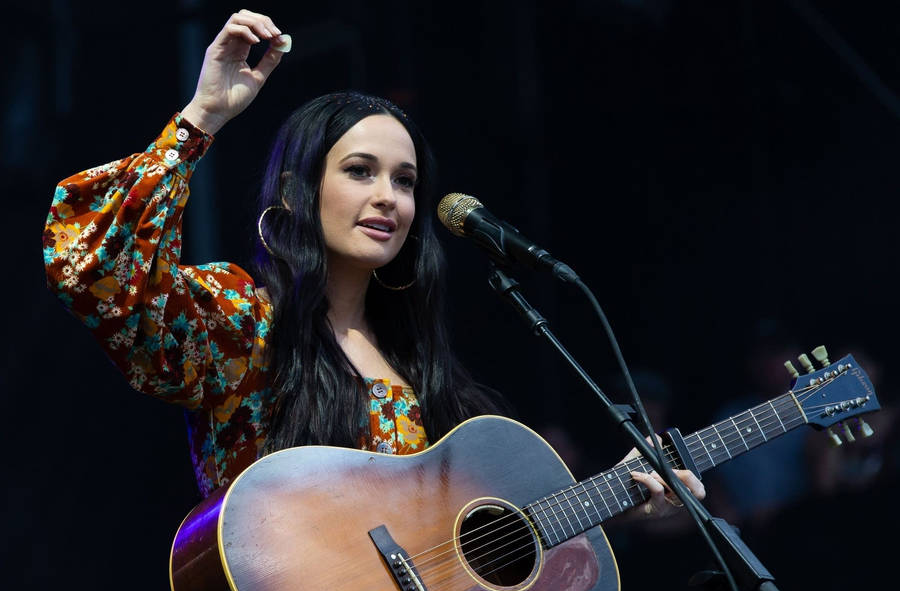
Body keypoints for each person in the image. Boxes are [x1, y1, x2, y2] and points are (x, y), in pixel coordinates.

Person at [43, 9, 703, 517]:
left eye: (406, 180)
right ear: (301, 192)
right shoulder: (243, 318)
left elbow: (461, 557)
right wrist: (202, 118)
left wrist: (618, 500)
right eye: (361, 172)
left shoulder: (419, 362)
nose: (389, 196)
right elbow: (98, 275)